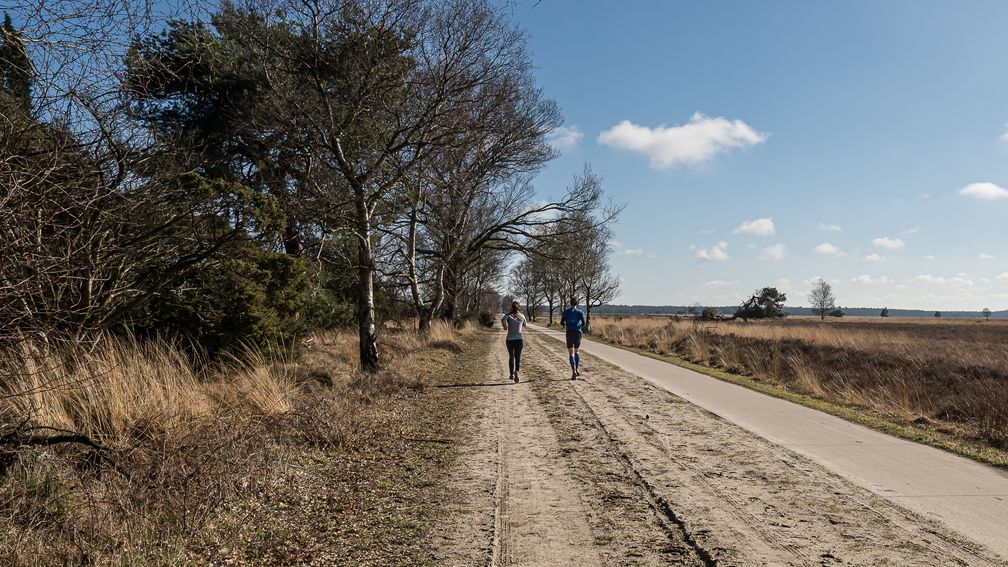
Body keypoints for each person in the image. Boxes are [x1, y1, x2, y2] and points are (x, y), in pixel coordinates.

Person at [501, 301, 527, 382]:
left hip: (510, 339)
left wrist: (505, 327)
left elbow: (503, 321)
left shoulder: (508, 315)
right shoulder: (522, 316)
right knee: (517, 356)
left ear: (512, 307)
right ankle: (517, 371)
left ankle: (511, 374)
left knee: (511, 356)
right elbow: (525, 325)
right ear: (519, 307)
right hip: (519, 339)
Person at [560, 297, 585, 380]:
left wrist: (565, 324)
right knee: (577, 351)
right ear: (576, 304)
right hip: (578, 332)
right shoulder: (580, 312)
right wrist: (579, 326)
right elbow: (584, 323)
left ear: (570, 304)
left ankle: (573, 370)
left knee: (571, 352)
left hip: (569, 332)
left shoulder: (566, 312)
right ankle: (577, 369)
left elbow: (561, 322)